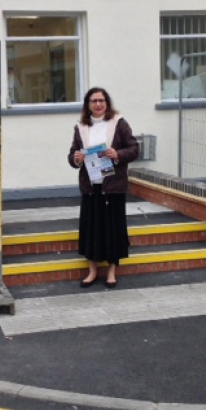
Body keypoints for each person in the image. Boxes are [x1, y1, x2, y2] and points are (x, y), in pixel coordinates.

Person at [68, 87, 139, 288]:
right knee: (92, 230)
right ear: (87, 105)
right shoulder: (81, 127)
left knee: (113, 230)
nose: (98, 104)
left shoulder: (119, 123)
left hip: (113, 186)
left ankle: (111, 271)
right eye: (94, 101)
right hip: (91, 188)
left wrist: (117, 154)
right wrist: (76, 158)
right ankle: (91, 271)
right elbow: (72, 155)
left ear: (106, 103)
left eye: (101, 100)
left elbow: (134, 149)